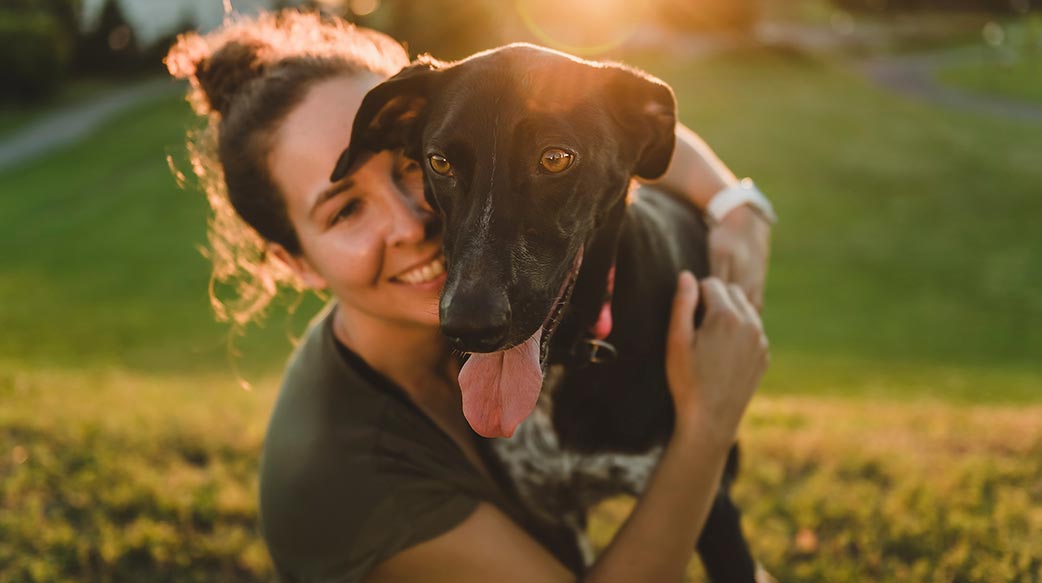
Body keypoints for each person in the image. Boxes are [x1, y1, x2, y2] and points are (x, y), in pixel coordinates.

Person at [167, 10, 771, 583]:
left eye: (411, 168)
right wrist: (706, 427)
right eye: (346, 209)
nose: (411, 225)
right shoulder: (339, 476)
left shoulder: (468, 128)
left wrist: (737, 204)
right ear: (292, 262)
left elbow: (569, 113)